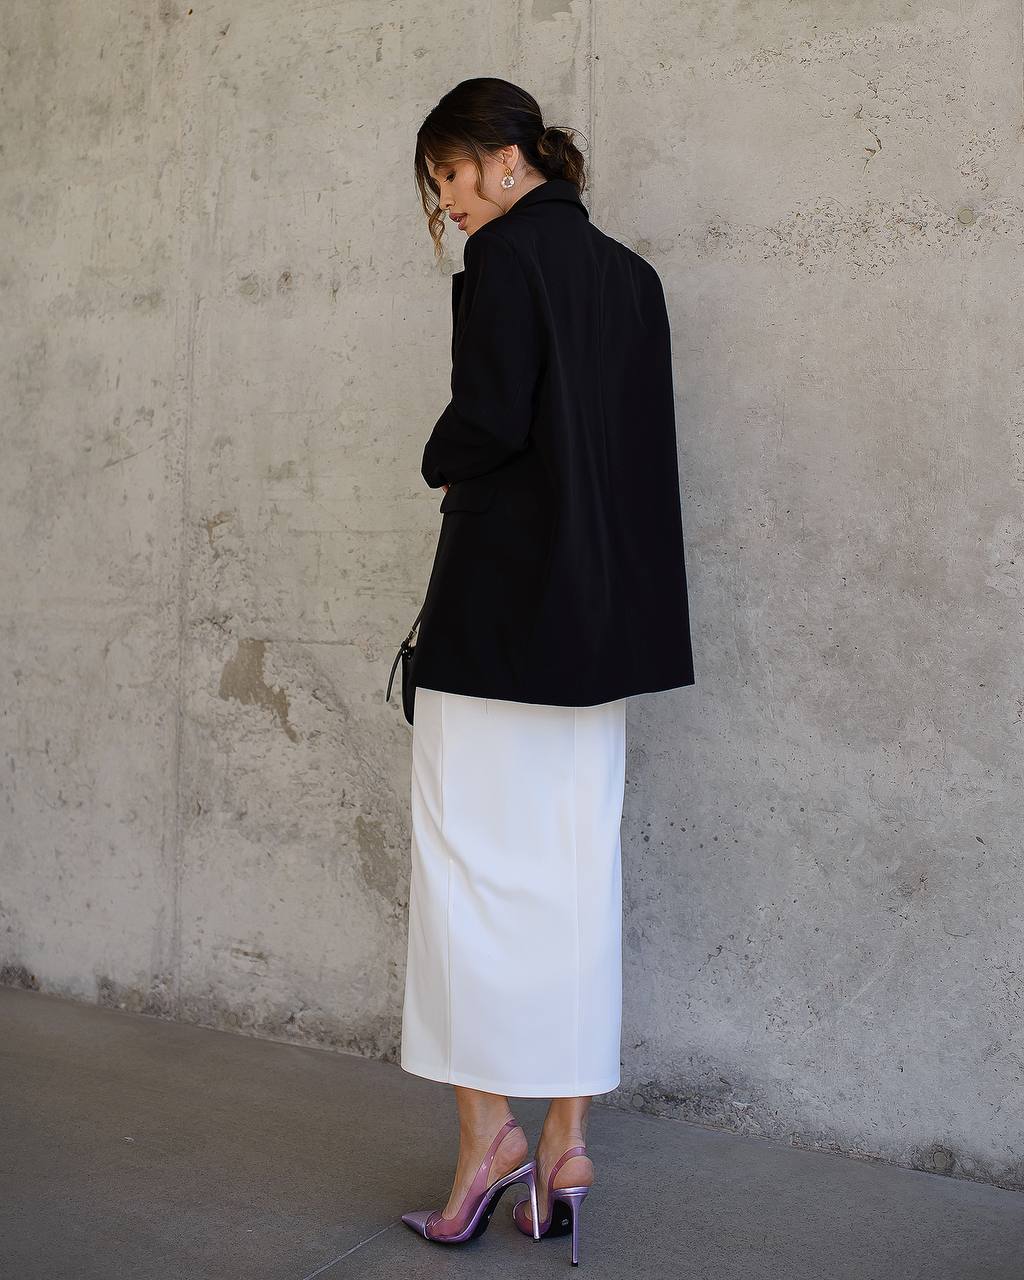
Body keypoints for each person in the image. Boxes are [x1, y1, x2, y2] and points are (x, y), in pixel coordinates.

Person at [398, 77, 695, 1263]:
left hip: (497, 635)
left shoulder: (504, 265)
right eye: (437, 189)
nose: (449, 204)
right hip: (598, 641)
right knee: (573, 875)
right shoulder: (632, 279)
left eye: (453, 176)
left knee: (465, 880)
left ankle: (485, 1144)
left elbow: (486, 419)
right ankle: (566, 1143)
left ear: (508, 157)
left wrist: (436, 453)